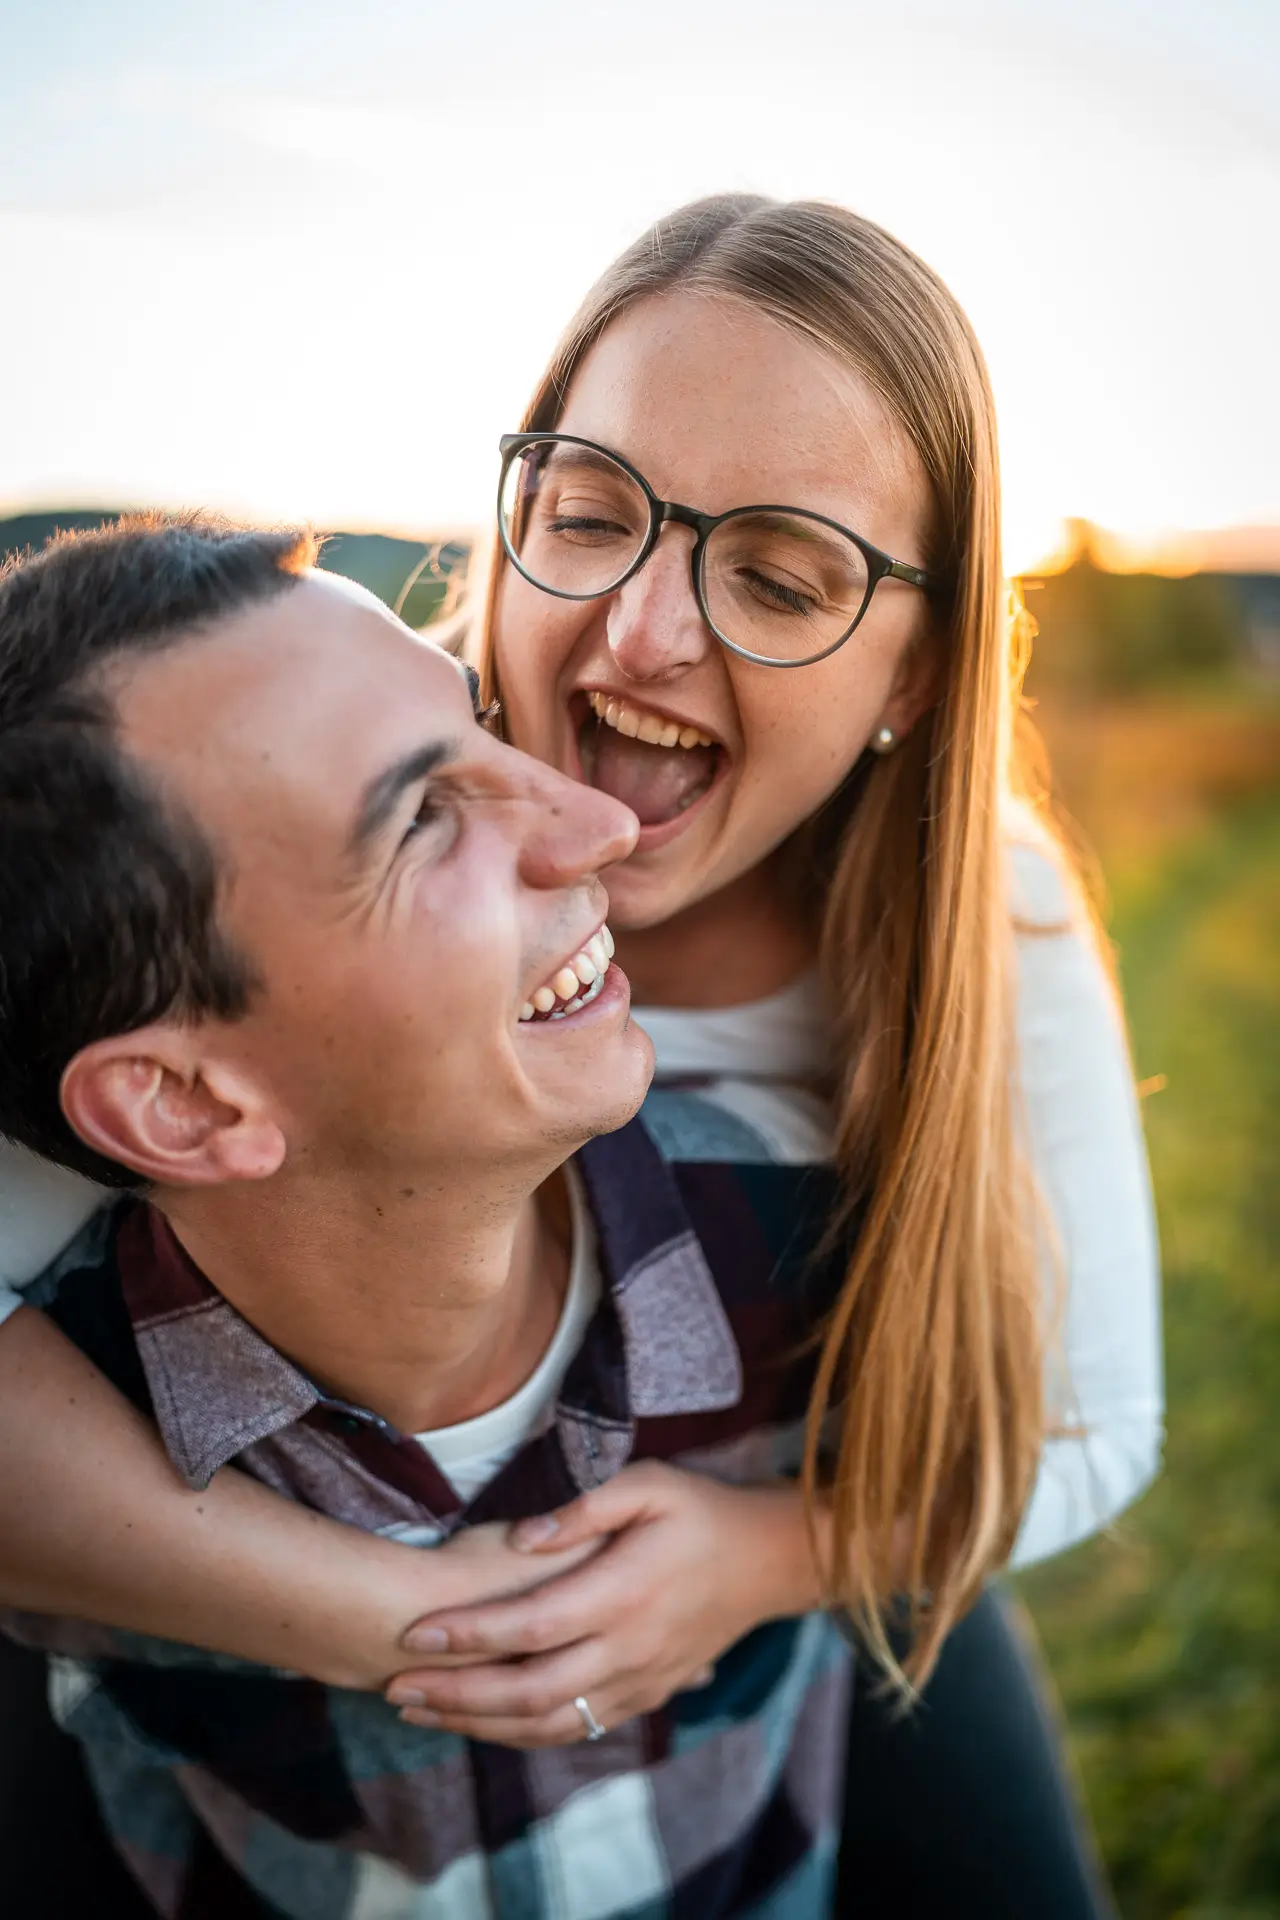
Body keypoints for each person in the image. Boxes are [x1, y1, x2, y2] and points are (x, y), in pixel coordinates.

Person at [0, 194, 1161, 1914]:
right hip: (220, 1553)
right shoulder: (233, 867)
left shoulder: (988, 917)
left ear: (916, 665)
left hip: (793, 1518)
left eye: (778, 576)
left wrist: (769, 1559)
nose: (640, 637)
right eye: (591, 513)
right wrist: (432, 1624)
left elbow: (1092, 1419)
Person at [0, 517, 860, 1917]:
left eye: (478, 723)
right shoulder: (65, 1442)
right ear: (185, 1106)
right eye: (422, 820)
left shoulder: (807, 1244)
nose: (596, 825)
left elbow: (1026, 1459)